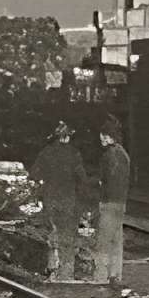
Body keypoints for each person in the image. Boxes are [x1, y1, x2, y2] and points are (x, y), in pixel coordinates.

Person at [31, 120, 99, 283]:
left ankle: (53, 270)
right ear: (68, 137)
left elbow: (34, 173)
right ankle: (67, 273)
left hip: (50, 199)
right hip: (68, 200)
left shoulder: (46, 152)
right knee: (68, 235)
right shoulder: (74, 154)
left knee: (52, 232)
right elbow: (82, 178)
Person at [91, 115, 136, 287]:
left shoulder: (108, 155)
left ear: (110, 136)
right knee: (116, 240)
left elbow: (105, 180)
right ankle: (115, 274)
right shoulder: (124, 154)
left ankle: (100, 276)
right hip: (120, 202)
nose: (101, 138)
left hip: (109, 202)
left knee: (103, 240)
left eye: (104, 134)